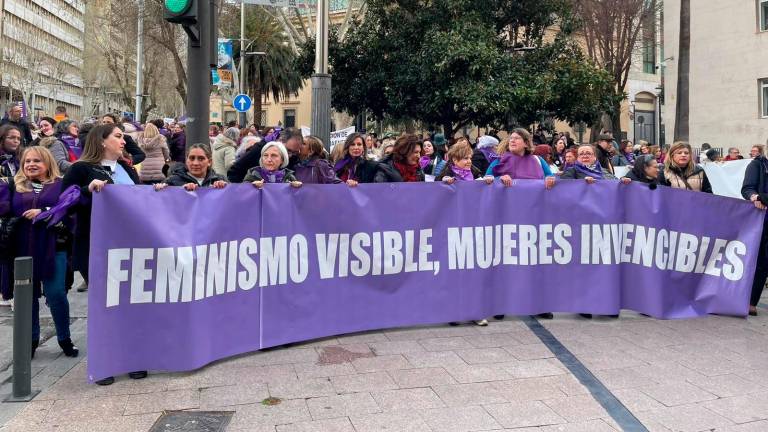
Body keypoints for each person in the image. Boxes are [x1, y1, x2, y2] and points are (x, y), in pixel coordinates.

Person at [62, 124, 145, 385]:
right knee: (103, 305)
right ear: (102, 141)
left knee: (130, 305)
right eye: (118, 137)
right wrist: (88, 190)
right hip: (95, 245)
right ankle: (105, 361)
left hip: (127, 245)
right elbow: (65, 201)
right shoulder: (81, 169)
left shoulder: (127, 169)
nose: (123, 141)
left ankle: (132, 357)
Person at [1, 146, 78, 358]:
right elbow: (4, 209)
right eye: (27, 161)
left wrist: (45, 212)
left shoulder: (61, 185)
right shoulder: (13, 185)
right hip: (21, 249)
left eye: (37, 160)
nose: (31, 165)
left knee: (56, 294)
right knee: (27, 297)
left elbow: (68, 211)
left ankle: (64, 338)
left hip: (54, 247)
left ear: (48, 163)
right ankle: (31, 340)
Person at [485, 128, 555, 320]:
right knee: (505, 262)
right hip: (506, 220)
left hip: (533, 220)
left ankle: (539, 304)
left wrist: (551, 180)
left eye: (517, 138)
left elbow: (551, 178)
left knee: (534, 262)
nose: (512, 141)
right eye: (511, 138)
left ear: (526, 142)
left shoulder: (538, 161)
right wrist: (500, 179)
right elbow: (486, 182)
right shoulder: (499, 161)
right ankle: (501, 304)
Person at [742, 148, 768, 316]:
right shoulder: (757, 165)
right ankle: (751, 301)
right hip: (763, 218)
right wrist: (754, 196)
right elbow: (747, 188)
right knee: (761, 260)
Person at [228, 128, 301, 183]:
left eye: (295, 152)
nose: (290, 156)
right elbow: (234, 172)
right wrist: (248, 188)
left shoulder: (292, 160)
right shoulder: (258, 149)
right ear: (280, 140)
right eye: (288, 150)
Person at [155, 143, 227, 191]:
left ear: (209, 162)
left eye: (201, 159)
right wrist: (158, 191)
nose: (195, 163)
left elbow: (232, 204)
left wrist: (226, 189)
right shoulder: (172, 181)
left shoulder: (220, 179)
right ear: (186, 160)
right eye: (192, 158)